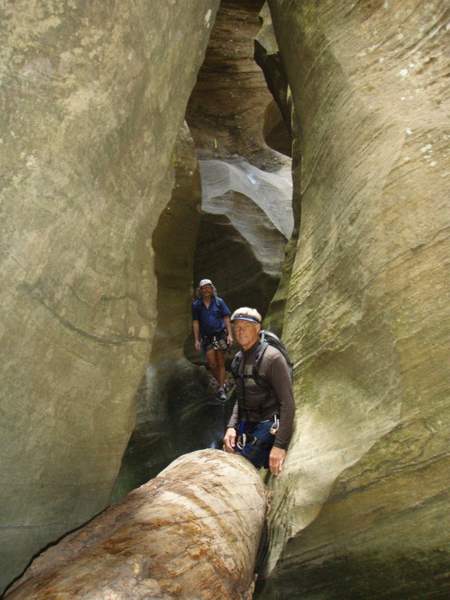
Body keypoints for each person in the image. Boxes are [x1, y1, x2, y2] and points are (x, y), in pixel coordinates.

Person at [223, 307, 295, 476]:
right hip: (247, 422)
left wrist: (280, 446)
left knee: (240, 468)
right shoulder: (238, 360)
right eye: (237, 327)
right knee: (227, 455)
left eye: (246, 326)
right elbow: (240, 397)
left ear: (257, 328)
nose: (240, 331)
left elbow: (288, 403)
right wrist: (231, 427)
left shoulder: (272, 358)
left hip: (268, 423)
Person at [192, 278, 233, 401]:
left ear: (212, 288)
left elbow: (226, 318)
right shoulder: (196, 305)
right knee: (212, 364)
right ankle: (223, 382)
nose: (206, 290)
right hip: (207, 338)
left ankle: (221, 389)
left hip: (219, 335)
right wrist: (196, 340)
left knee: (220, 362)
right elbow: (196, 322)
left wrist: (230, 335)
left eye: (208, 287)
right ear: (200, 290)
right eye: (203, 288)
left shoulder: (219, 302)